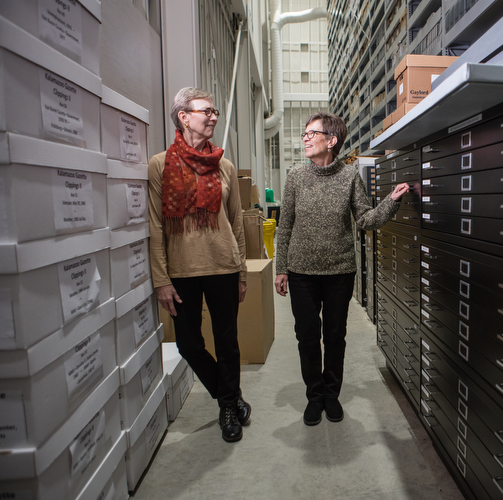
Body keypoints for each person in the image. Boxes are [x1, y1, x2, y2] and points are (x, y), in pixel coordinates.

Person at [274, 112, 410, 426]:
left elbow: (364, 220)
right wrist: (281, 269)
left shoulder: (349, 177)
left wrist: (392, 200)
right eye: (304, 133)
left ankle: (332, 395)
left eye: (312, 133)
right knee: (307, 337)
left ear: (331, 140)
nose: (305, 137)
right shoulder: (295, 176)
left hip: (339, 272)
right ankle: (314, 395)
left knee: (335, 335)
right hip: (301, 273)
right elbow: (285, 226)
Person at [148, 87, 250, 443]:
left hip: (223, 265)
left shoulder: (225, 166)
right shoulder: (160, 165)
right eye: (206, 110)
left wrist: (241, 271)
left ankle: (225, 408)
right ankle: (231, 396)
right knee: (189, 344)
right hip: (181, 271)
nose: (213, 117)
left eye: (215, 111)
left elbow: (236, 221)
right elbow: (155, 225)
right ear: (183, 116)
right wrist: (161, 278)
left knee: (227, 342)